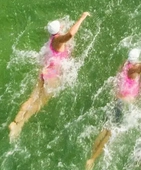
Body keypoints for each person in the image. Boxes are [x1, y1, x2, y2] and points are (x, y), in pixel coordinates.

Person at [8, 12, 90, 141]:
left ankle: (15, 121)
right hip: (52, 76)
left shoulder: (52, 39)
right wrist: (82, 18)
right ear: (58, 31)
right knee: (39, 102)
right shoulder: (58, 40)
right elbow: (70, 34)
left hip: (45, 71)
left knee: (32, 98)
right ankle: (20, 126)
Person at [85, 37, 141, 170]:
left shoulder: (125, 65)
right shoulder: (134, 70)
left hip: (117, 100)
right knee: (110, 133)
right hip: (123, 104)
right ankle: (92, 159)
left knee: (105, 129)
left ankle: (90, 154)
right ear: (136, 61)